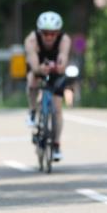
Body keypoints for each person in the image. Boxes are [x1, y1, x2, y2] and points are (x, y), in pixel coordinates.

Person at [24, 11, 71, 161]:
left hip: (55, 69)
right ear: (40, 32)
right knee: (32, 79)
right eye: (45, 33)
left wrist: (60, 66)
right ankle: (32, 110)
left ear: (58, 33)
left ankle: (56, 144)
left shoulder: (64, 39)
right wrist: (39, 69)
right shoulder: (31, 40)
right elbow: (33, 62)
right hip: (38, 66)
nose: (49, 37)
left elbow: (63, 57)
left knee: (57, 109)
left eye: (53, 34)